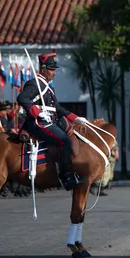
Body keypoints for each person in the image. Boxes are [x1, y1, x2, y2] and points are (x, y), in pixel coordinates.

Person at [16, 51, 88, 191]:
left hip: (50, 121)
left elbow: (57, 108)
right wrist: (38, 112)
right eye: (51, 70)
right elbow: (22, 98)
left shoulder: (49, 87)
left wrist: (75, 117)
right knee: (64, 140)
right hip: (38, 122)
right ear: (43, 69)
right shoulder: (34, 84)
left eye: (54, 70)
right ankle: (65, 176)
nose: (54, 73)